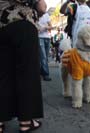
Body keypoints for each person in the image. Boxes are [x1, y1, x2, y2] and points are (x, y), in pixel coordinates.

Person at [0, 0, 46, 132]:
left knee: (3, 73)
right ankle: (26, 121)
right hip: (22, 21)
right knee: (27, 72)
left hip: (1, 24)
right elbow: (42, 7)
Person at [38, 12, 52, 81]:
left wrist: (46, 27)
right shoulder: (35, 13)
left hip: (47, 37)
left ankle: (41, 73)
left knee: (45, 57)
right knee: (43, 57)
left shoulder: (46, 14)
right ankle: (46, 74)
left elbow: (50, 26)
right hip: (39, 37)